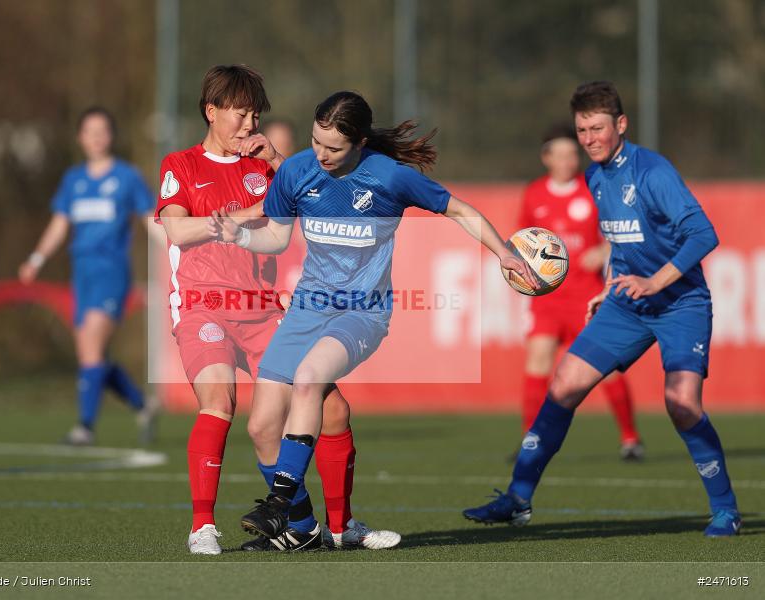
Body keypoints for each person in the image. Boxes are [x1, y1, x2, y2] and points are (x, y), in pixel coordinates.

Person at [209, 90, 538, 542]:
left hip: (363, 314)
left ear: (360, 142)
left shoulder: (389, 177)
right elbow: (278, 239)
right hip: (307, 308)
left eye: (334, 147)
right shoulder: (296, 170)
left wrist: (504, 253)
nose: (322, 154)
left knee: (309, 379)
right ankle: (302, 530)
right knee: (261, 426)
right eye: (316, 141)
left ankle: (279, 505)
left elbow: (459, 209)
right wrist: (240, 237)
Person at [463, 81, 741, 537]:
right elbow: (625, 236)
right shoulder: (594, 174)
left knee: (682, 404)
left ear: (621, 125)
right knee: (565, 384)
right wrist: (613, 278)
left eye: (597, 128)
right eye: (582, 130)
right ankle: (517, 498)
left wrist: (654, 281)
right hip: (626, 302)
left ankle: (726, 509)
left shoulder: (653, 173)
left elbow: (703, 235)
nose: (589, 138)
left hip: (680, 304)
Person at [156, 66, 400, 554]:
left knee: (332, 408)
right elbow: (179, 231)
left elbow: (324, 201)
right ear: (212, 111)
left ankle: (336, 525)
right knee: (219, 402)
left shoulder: (264, 166)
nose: (250, 123)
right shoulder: (180, 165)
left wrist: (277, 157)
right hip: (204, 306)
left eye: (254, 114)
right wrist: (247, 215)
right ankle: (203, 526)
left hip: (262, 310)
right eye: (241, 113)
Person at [19, 106, 161, 446]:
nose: (96, 137)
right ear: (81, 137)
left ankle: (84, 426)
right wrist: (36, 258)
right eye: (89, 131)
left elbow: (150, 219)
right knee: (91, 354)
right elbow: (59, 224)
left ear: (111, 136)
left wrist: (179, 251)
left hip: (111, 273)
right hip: (80, 275)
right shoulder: (73, 180)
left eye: (103, 130)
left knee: (92, 345)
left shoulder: (127, 177)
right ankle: (144, 404)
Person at [517, 124, 642, 461]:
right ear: (547, 158)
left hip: (587, 297)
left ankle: (630, 438)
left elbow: (618, 233)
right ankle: (532, 440)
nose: (567, 161)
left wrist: (602, 253)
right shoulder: (534, 194)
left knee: (606, 368)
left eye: (572, 154)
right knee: (537, 360)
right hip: (548, 300)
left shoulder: (594, 189)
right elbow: (523, 242)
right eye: (559, 154)